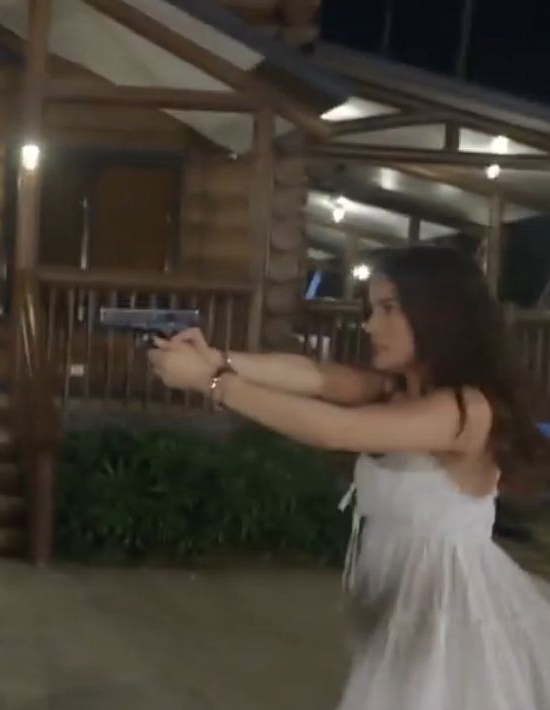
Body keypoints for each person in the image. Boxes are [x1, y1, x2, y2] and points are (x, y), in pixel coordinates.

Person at [148, 245, 550, 710]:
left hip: (447, 614)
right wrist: (218, 358)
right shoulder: (398, 389)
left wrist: (212, 383)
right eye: (371, 309)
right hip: (402, 606)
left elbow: (337, 430)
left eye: (389, 308)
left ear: (440, 312)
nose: (370, 325)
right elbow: (313, 375)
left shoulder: (466, 410)